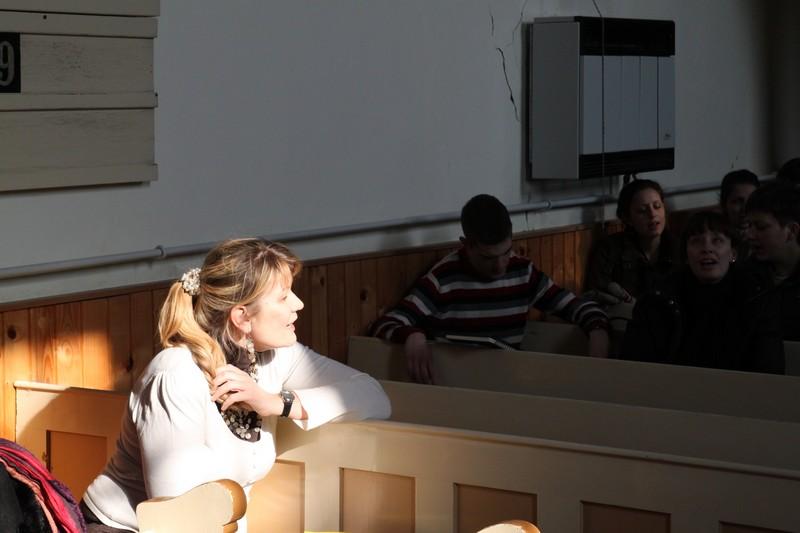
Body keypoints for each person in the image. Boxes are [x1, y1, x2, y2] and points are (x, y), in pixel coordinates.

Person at [81, 238, 391, 532]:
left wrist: (276, 403)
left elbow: (374, 396)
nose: (298, 304)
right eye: (283, 297)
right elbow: (178, 519)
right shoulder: (175, 375)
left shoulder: (276, 357)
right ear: (241, 317)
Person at [370, 194, 610, 383]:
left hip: (509, 380)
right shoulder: (443, 278)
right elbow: (387, 323)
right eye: (487, 258)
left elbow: (573, 305)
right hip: (455, 385)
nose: (500, 265)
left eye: (506, 252)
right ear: (466, 245)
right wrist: (413, 336)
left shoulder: (522, 271)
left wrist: (597, 329)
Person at [621, 211, 784, 374]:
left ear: (732, 253)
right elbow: (635, 364)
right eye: (697, 241)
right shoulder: (659, 298)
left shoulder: (755, 297)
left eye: (717, 241)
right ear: (686, 254)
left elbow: (768, 368)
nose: (707, 248)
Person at [584, 179, 680, 305]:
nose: (652, 214)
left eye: (657, 206)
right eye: (642, 210)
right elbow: (596, 297)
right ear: (627, 218)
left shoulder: (679, 247)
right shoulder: (609, 249)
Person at [743, 181, 800, 341]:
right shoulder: (746, 274)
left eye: (761, 227)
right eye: (749, 225)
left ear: (792, 231)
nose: (750, 235)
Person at [719, 169, 760, 259]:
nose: (745, 209)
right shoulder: (715, 239)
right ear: (724, 204)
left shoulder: (768, 236)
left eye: (751, 200)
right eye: (737, 202)